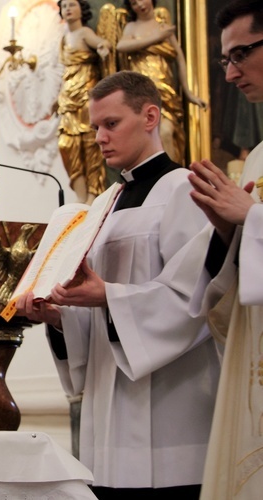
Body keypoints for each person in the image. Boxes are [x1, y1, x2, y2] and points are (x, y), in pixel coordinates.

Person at [15, 71, 220, 498]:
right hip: (109, 414)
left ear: (150, 117)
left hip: (172, 407)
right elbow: (93, 310)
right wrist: (59, 316)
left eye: (111, 124)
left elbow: (196, 298)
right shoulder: (102, 205)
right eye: (94, 127)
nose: (100, 137)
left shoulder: (185, 189)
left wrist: (107, 295)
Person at [180, 1, 263, 497]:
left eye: (240, 55)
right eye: (224, 61)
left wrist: (249, 219)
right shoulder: (255, 159)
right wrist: (230, 233)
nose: (230, 74)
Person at [116, 0, 206, 164]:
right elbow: (121, 46)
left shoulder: (164, 27)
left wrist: (188, 93)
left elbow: (180, 59)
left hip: (165, 92)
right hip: (141, 93)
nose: (140, 5)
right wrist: (156, 38)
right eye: (134, 3)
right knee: (145, 139)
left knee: (166, 132)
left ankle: (171, 177)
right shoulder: (132, 27)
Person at [56, 0, 110, 205]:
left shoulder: (85, 32)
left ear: (82, 9)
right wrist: (57, 100)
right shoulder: (64, 38)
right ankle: (80, 195)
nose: (68, 8)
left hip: (86, 96)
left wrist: (103, 48)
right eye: (64, 6)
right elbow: (65, 73)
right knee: (66, 145)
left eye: (72, 4)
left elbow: (101, 43)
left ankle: (93, 194)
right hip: (68, 98)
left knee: (90, 145)